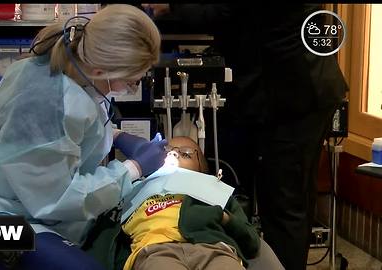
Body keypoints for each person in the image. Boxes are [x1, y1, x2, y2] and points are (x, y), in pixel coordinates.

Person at [0, 4, 167, 270]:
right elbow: (58, 198)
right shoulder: (46, 101)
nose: (130, 87)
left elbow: (61, 139)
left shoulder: (78, 71)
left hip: (29, 210)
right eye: (131, 81)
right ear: (102, 71)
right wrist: (133, 168)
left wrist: (117, 135)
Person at [142, 4, 348, 270]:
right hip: (271, 86)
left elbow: (223, 10)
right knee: (258, 195)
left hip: (291, 92)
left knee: (285, 202)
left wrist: (169, 6)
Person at [83, 136, 262, 270]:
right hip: (156, 249)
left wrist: (223, 217)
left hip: (213, 247)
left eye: (185, 153)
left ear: (203, 170)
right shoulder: (133, 190)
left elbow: (251, 241)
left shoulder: (215, 191)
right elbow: (104, 237)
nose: (173, 153)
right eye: (166, 151)